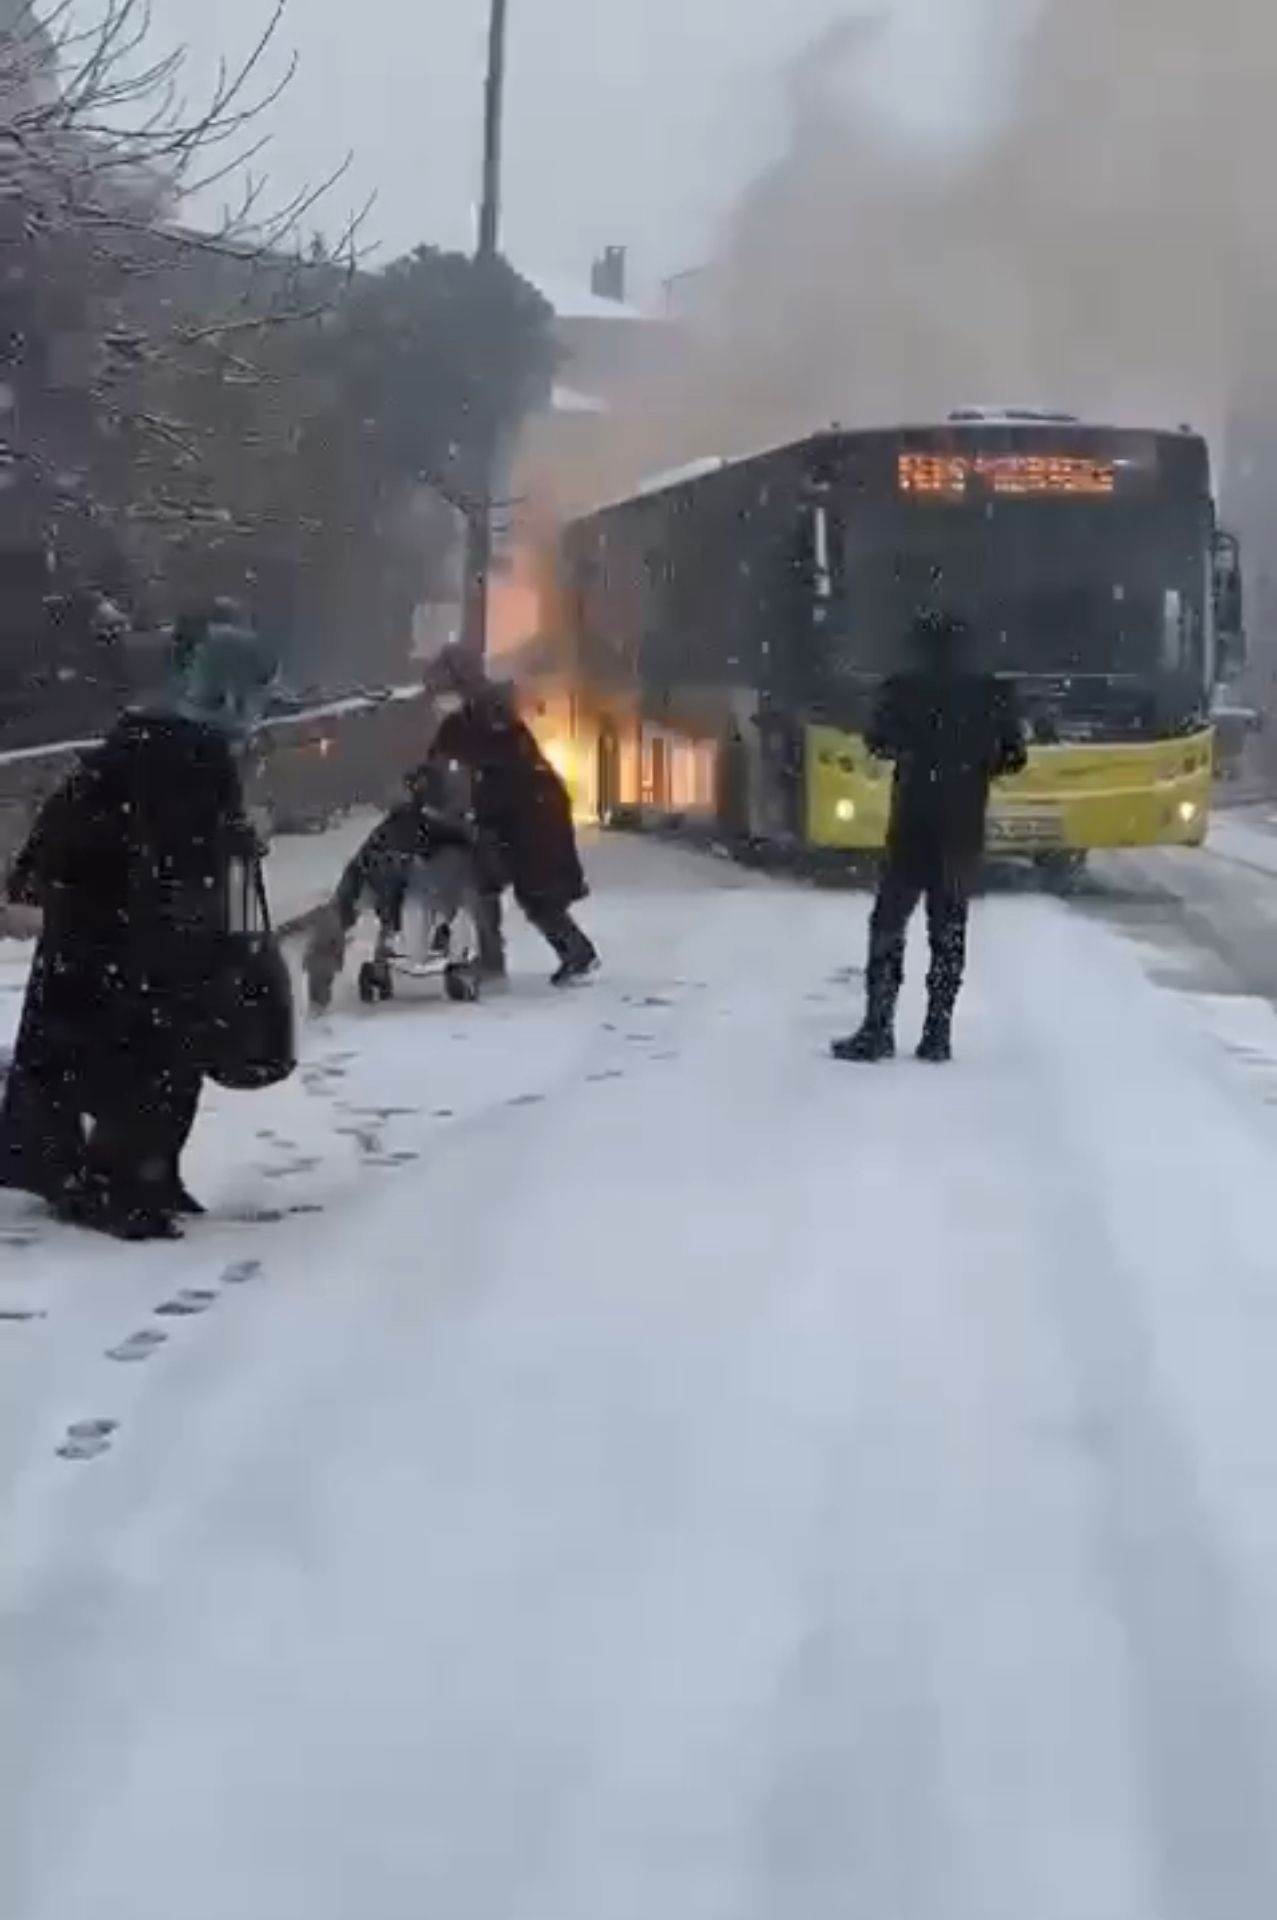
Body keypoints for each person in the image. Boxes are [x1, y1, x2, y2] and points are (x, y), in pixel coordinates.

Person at [0, 604, 276, 1239]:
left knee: (128, 1060)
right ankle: (115, 1186)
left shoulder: (159, 738)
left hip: (107, 929)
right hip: (130, 936)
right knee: (144, 1062)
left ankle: (126, 1176)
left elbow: (95, 822)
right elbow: (178, 850)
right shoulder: (189, 751)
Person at [832, 610, 1026, 1065]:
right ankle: (937, 1034)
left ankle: (877, 1027)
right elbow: (1014, 756)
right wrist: (975, 766)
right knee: (948, 929)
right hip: (961, 827)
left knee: (888, 923)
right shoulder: (992, 694)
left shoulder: (903, 688)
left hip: (912, 821)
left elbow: (878, 742)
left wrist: (918, 752)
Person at [424, 648, 598, 986]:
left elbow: (501, 762)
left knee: (535, 892)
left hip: (531, 813)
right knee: (484, 883)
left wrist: (471, 796)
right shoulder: (467, 718)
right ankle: (497, 958)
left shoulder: (488, 713)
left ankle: (574, 954)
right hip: (511, 813)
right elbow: (440, 759)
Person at [303, 759, 481, 1011]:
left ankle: (440, 945)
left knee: (445, 893)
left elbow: (464, 857)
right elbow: (362, 865)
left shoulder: (444, 827)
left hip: (416, 885)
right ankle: (324, 982)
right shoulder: (402, 823)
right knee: (338, 915)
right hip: (387, 882)